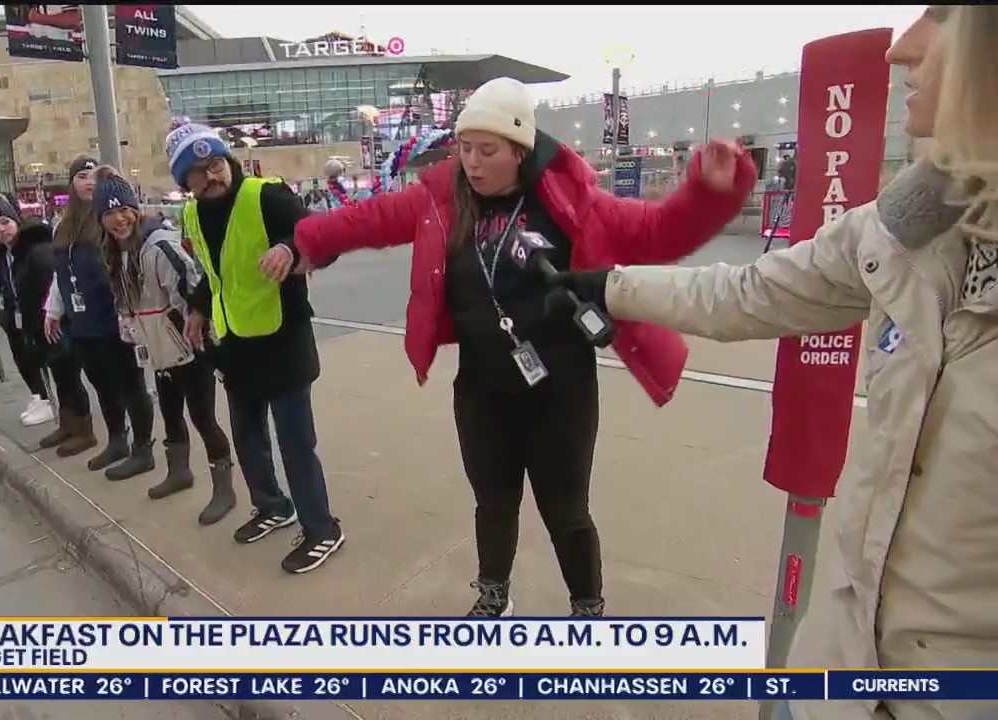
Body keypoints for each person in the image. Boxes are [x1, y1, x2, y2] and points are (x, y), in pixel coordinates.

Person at [549, 7, 996, 720]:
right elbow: (754, 291)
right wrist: (613, 287)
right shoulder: (909, 229)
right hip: (838, 680)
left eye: (940, 16)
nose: (901, 47)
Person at [284, 77, 755, 615]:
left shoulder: (569, 203)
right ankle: (494, 598)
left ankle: (587, 609)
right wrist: (303, 240)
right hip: (483, 389)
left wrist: (712, 189)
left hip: (561, 390)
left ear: (520, 150)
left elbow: (660, 231)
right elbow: (366, 219)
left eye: (488, 151)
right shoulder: (440, 201)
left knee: (566, 512)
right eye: (465, 149)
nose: (474, 163)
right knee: (493, 504)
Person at [164, 121, 343, 574]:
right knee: (247, 438)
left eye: (217, 163)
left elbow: (324, 236)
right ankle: (272, 506)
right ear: (184, 182)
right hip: (235, 345)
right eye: (200, 172)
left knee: (295, 443)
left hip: (283, 341)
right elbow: (213, 271)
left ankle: (322, 528)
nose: (214, 175)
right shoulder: (191, 216)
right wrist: (199, 308)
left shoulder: (266, 195)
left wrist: (288, 246)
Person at [93, 165, 237, 525]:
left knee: (203, 417)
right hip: (160, 350)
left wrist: (200, 338)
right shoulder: (116, 252)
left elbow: (191, 290)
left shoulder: (158, 245)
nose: (118, 219)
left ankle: (225, 489)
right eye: (109, 213)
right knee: (170, 413)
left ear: (135, 208)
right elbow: (128, 303)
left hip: (187, 347)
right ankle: (179, 472)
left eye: (123, 210)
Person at [43, 155, 158, 480]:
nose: (88, 181)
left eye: (93, 175)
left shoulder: (113, 219)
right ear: (72, 183)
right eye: (81, 176)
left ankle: (143, 448)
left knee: (130, 384)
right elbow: (60, 274)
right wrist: (54, 310)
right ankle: (117, 440)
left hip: (116, 319)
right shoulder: (63, 226)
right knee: (102, 385)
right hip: (82, 321)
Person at [0, 194, 91, 434]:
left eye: (5, 222)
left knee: (67, 376)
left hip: (51, 324)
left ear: (16, 221)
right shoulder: (6, 254)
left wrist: (49, 317)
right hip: (34, 325)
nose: (1, 230)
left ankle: (82, 430)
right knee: (59, 376)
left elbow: (51, 287)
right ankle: (67, 425)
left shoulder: (36, 250)